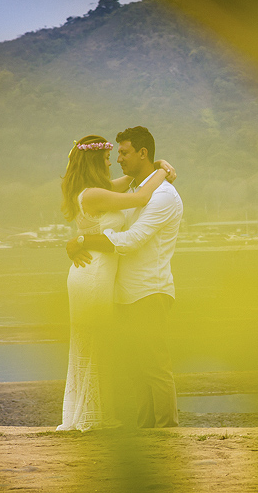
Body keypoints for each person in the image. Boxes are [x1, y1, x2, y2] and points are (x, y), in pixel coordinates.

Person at [67, 126, 185, 428]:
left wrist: (82, 241)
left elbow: (131, 240)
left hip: (148, 290)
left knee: (155, 366)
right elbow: (136, 192)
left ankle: (166, 430)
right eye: (111, 155)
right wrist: (160, 167)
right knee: (134, 368)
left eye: (122, 153)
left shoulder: (162, 196)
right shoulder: (121, 191)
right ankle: (144, 430)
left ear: (142, 153)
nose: (116, 159)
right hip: (116, 288)